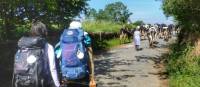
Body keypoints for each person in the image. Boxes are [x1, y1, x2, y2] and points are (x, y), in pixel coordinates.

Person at [13, 20, 60, 87]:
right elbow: (52, 69)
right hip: (42, 82)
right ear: (44, 31)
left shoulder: (23, 45)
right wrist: (57, 84)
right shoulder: (48, 46)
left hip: (22, 81)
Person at [55, 20, 96, 87]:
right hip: (82, 73)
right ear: (80, 27)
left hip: (66, 74)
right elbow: (90, 58)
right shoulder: (84, 35)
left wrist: (60, 77)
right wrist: (92, 77)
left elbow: (58, 56)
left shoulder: (63, 37)